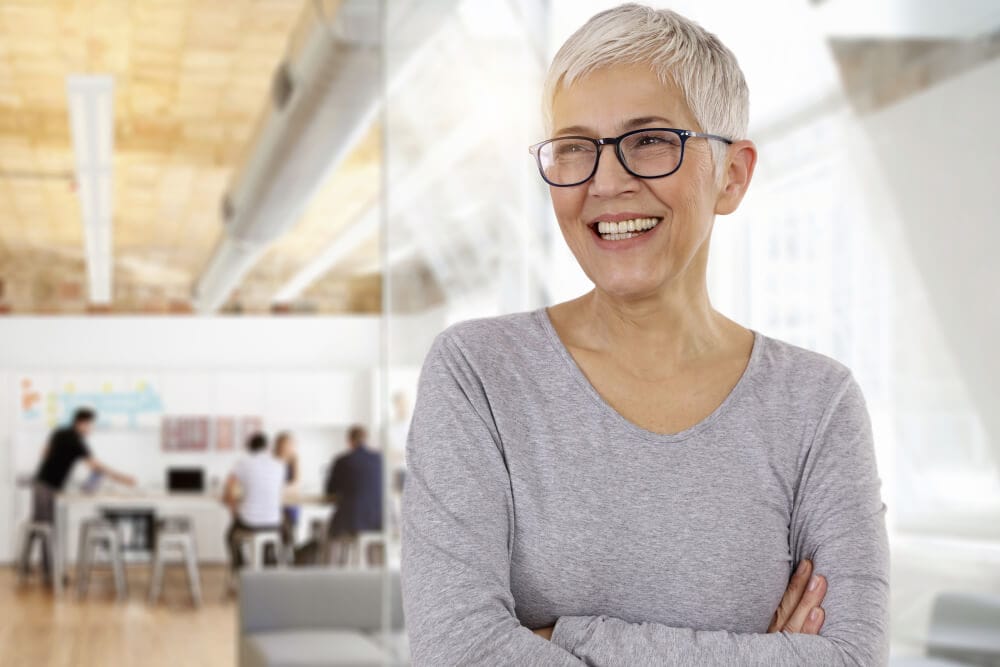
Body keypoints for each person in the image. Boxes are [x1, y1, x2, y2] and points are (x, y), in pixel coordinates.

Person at [400, 4, 889, 666]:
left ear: (733, 174)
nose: (605, 182)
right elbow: (457, 650)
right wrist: (759, 655)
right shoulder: (478, 375)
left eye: (651, 140)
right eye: (574, 147)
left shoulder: (818, 404)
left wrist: (568, 635)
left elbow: (853, 658)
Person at [29, 407, 135, 580]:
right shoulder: (77, 441)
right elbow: (96, 466)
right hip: (48, 486)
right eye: (90, 425)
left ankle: (42, 569)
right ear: (82, 423)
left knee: (44, 528)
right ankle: (50, 574)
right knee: (48, 530)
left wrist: (59, 462)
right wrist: (123, 478)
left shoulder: (59, 432)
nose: (91, 429)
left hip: (41, 483)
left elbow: (44, 453)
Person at [223, 432, 286, 570]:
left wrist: (234, 511)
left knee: (230, 536)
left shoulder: (242, 463)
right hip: (274, 523)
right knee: (268, 537)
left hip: (250, 522)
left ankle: (241, 571)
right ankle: (269, 567)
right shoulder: (279, 465)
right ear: (267, 447)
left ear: (249, 448)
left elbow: (228, 491)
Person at [324, 425, 383, 564]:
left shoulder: (342, 461)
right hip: (378, 519)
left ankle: (329, 573)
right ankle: (375, 569)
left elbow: (330, 490)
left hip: (351, 520)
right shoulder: (380, 459)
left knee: (329, 534)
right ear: (366, 440)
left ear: (349, 441)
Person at [273, 431, 299, 547]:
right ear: (278, 446)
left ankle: (288, 548)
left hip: (289, 501)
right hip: (274, 501)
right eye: (285, 444)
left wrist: (282, 488)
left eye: (290, 445)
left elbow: (295, 482)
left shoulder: (294, 460)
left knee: (289, 519)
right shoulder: (272, 460)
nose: (288, 447)